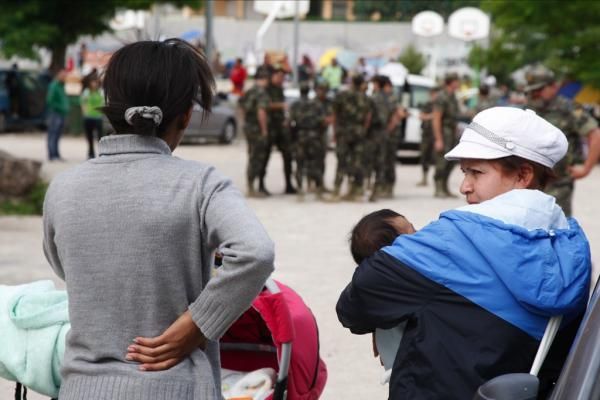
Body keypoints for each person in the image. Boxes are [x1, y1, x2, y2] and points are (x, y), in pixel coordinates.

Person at [42, 39, 275, 400]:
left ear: (110, 108)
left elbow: (65, 265)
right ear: (184, 115)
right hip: (175, 387)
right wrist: (199, 323)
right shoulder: (201, 183)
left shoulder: (63, 187)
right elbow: (255, 252)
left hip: (82, 388)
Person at [337, 107, 591, 399]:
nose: (464, 186)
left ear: (522, 175)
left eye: (476, 172)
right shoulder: (571, 246)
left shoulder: (447, 243)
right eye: (464, 172)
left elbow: (353, 307)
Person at [525, 65, 600, 216]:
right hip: (529, 183)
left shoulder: (568, 108)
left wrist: (586, 168)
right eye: (533, 91)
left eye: (539, 90)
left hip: (558, 185)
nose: (535, 94)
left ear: (553, 87)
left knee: (557, 230)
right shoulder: (529, 107)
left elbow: (595, 134)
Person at [331, 75, 371, 201]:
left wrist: (334, 131)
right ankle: (356, 191)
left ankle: (336, 190)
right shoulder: (365, 98)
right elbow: (368, 116)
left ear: (352, 82)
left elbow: (335, 114)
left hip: (343, 132)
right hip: (358, 133)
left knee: (341, 161)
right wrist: (364, 129)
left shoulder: (342, 95)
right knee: (357, 162)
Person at [289, 82, 326, 198]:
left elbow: (290, 122)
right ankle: (318, 189)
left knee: (300, 164)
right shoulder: (316, 104)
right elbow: (322, 122)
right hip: (314, 136)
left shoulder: (295, 105)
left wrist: (293, 136)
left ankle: (300, 190)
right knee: (315, 163)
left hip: (300, 136)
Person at [263, 67, 296, 194]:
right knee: (264, 156)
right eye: (280, 77)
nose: (282, 80)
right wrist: (281, 105)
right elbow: (265, 105)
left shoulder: (280, 89)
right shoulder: (266, 89)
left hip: (280, 127)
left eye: (283, 78)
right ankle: (261, 184)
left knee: (288, 155)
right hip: (270, 127)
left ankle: (288, 184)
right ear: (274, 76)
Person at [239, 67, 271, 197]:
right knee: (256, 157)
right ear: (265, 79)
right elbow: (261, 112)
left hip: (249, 128)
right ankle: (252, 188)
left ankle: (250, 185)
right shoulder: (261, 93)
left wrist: (244, 123)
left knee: (251, 155)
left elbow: (241, 106)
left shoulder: (249, 91)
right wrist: (264, 130)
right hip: (257, 129)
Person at [432, 73, 460, 198]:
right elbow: (436, 118)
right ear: (451, 82)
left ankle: (445, 186)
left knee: (451, 162)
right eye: (457, 81)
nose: (459, 83)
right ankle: (438, 188)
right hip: (443, 132)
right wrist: (438, 139)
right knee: (441, 162)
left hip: (452, 133)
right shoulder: (441, 97)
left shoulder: (453, 96)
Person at [417, 86, 440, 187]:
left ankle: (438, 180)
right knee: (424, 156)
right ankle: (424, 178)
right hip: (426, 134)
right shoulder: (428, 104)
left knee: (436, 157)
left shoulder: (440, 105)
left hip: (436, 135)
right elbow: (421, 116)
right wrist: (432, 116)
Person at [45, 69, 69, 161]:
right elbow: (50, 101)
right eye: (63, 76)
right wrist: (60, 107)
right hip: (55, 113)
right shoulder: (54, 86)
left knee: (58, 135)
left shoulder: (62, 86)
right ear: (58, 75)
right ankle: (52, 155)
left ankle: (57, 154)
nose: (64, 78)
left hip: (62, 113)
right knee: (53, 134)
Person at [80, 78, 104, 158]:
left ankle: (102, 153)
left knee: (100, 137)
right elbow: (83, 102)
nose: (94, 84)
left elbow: (103, 103)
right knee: (89, 137)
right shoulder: (87, 92)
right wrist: (85, 112)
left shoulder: (100, 92)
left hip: (98, 117)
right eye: (93, 82)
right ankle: (91, 154)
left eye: (95, 82)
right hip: (89, 117)